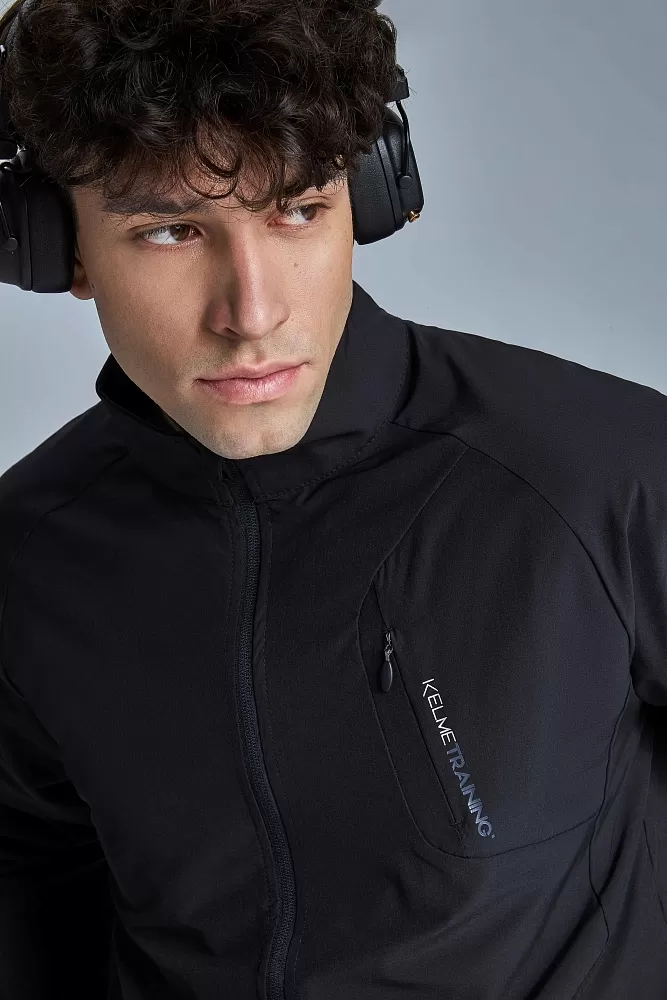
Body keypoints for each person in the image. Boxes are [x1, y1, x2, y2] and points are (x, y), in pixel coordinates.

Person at [1, 1, 667, 998]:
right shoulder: (27, 559)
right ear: (61, 251)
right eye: (171, 230)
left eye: (299, 210)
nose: (252, 312)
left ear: (369, 196)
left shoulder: (600, 471)